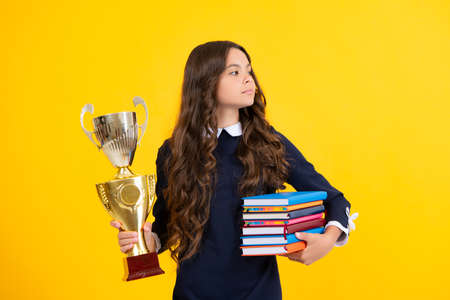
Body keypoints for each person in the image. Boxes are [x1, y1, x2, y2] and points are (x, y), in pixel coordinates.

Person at [110, 40, 357, 299]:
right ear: (206, 82)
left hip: (260, 293)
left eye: (249, 71)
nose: (249, 79)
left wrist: (328, 240)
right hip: (192, 293)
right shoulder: (173, 152)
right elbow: (167, 224)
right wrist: (145, 242)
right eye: (235, 72)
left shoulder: (269, 143)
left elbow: (335, 199)